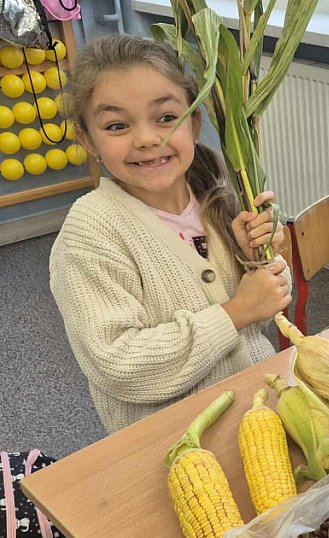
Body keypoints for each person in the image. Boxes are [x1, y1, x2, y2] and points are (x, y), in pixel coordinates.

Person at [49, 35, 292, 433]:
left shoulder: (219, 198)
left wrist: (259, 263)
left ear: (194, 122)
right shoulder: (89, 236)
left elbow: (261, 323)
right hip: (174, 443)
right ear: (86, 138)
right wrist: (235, 312)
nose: (146, 138)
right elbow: (118, 365)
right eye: (117, 125)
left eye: (165, 118)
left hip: (259, 409)